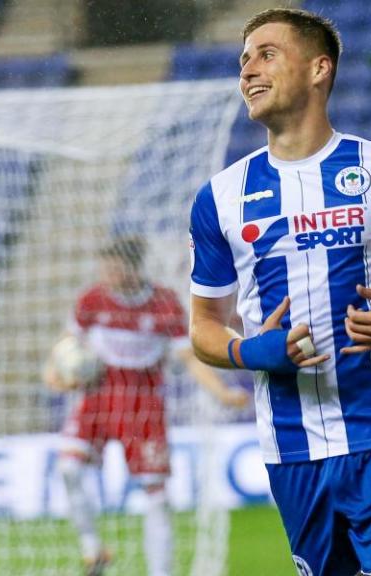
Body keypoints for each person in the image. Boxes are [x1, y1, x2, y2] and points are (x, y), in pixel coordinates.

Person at [188, 9, 371, 576]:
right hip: (292, 451)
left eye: (267, 53)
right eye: (243, 59)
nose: (249, 69)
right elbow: (203, 326)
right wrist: (248, 351)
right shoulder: (220, 198)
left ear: (320, 68)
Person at [43, 236, 248, 576]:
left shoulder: (164, 305)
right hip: (97, 397)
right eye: (104, 265)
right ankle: (92, 549)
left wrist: (222, 392)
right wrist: (53, 372)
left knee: (156, 496)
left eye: (114, 265)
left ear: (132, 266)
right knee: (68, 468)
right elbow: (68, 343)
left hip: (143, 405)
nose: (106, 272)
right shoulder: (92, 300)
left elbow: (189, 358)